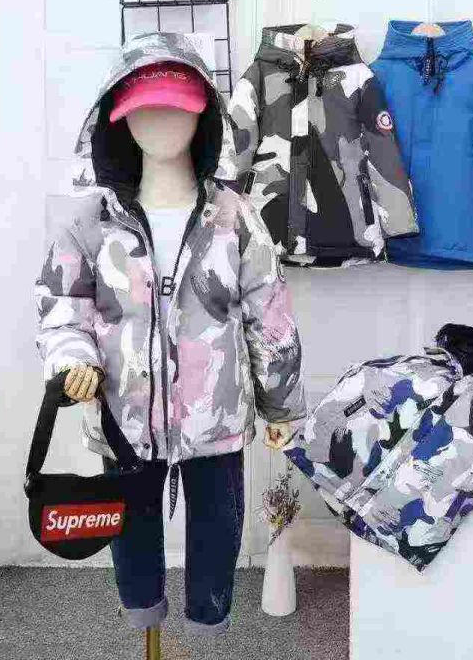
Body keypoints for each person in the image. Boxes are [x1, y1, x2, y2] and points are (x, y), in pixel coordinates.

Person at [34, 32, 306, 634]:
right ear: (118, 118)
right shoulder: (90, 223)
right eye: (145, 109)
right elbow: (61, 304)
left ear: (203, 115)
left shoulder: (235, 218)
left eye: (176, 108)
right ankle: (145, 617)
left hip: (215, 419)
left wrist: (282, 404)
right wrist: (73, 359)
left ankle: (206, 620)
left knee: (217, 532)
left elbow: (269, 313)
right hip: (123, 421)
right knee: (131, 538)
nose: (160, 124)